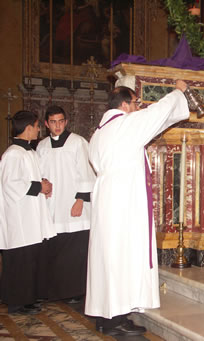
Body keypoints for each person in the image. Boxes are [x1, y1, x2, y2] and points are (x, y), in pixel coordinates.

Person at [86, 80, 190, 336]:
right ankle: (115, 320)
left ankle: (106, 314)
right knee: (120, 256)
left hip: (108, 199)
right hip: (123, 200)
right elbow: (156, 113)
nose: (138, 107)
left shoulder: (100, 132)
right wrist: (178, 92)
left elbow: (155, 122)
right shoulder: (124, 124)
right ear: (124, 105)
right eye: (135, 103)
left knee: (107, 257)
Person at [36, 105, 95, 303]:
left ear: (66, 122)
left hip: (74, 205)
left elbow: (86, 173)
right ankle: (56, 290)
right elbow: (39, 174)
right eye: (53, 122)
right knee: (55, 250)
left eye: (61, 121)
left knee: (75, 251)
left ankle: (75, 291)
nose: (58, 125)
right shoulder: (42, 146)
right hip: (52, 205)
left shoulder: (78, 142)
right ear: (46, 124)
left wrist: (80, 200)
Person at [0, 110, 56, 314]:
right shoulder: (13, 154)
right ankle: (16, 302)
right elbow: (11, 185)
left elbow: (32, 178)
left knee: (30, 259)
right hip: (19, 218)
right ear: (28, 128)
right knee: (20, 260)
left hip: (31, 215)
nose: (39, 129)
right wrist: (38, 187)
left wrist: (44, 184)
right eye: (36, 126)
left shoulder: (29, 152)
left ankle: (28, 298)